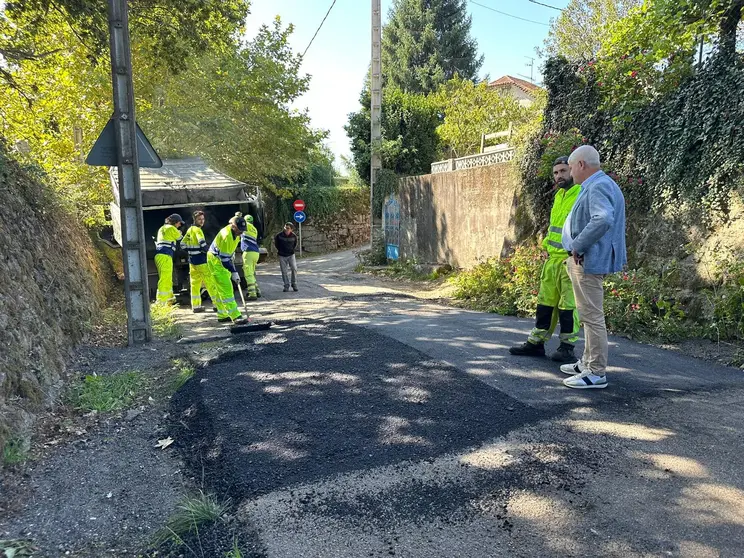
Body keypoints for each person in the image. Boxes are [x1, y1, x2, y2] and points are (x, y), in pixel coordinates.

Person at [560, 145, 626, 389]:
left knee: (591, 316)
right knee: (588, 315)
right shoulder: (599, 184)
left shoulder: (598, 186)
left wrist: (578, 245)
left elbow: (603, 219)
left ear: (580, 165)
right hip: (586, 259)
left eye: (570, 168)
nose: (569, 174)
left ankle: (596, 372)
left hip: (587, 260)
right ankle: (587, 362)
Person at [510, 156, 582, 363]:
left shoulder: (580, 194)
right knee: (545, 304)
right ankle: (537, 342)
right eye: (556, 173)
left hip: (569, 260)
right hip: (552, 261)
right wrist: (546, 247)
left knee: (568, 306)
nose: (559, 176)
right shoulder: (559, 196)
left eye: (562, 171)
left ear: (572, 171)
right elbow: (555, 228)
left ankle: (567, 347)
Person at [207, 212, 249, 325]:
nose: (241, 232)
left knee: (221, 288)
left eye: (242, 230)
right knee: (226, 288)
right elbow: (225, 260)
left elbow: (228, 254)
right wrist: (234, 271)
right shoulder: (226, 236)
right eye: (239, 230)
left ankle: (222, 315)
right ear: (233, 226)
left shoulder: (235, 233)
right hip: (216, 261)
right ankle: (235, 316)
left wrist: (232, 255)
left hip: (220, 258)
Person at [181, 210, 221, 314]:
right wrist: (210, 252)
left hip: (192, 262)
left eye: (203, 219)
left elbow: (182, 244)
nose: (202, 221)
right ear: (195, 219)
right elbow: (202, 244)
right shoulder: (198, 230)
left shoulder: (189, 230)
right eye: (199, 219)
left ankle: (196, 306)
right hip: (201, 261)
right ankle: (217, 305)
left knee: (195, 284)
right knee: (210, 282)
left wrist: (190, 251)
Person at [154, 213, 184, 305]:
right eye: (179, 223)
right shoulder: (171, 228)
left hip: (160, 256)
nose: (180, 225)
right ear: (175, 222)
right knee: (164, 279)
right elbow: (180, 238)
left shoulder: (162, 228)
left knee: (167, 278)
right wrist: (180, 232)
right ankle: (161, 302)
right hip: (165, 255)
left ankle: (170, 299)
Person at [240, 214, 261, 301]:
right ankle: (257, 290)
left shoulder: (246, 226)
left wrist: (238, 216)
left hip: (248, 252)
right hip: (255, 252)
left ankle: (252, 294)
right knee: (251, 273)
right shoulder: (254, 229)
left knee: (248, 273)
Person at [274, 222, 298, 292]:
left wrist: (291, 250)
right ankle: (286, 285)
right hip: (282, 255)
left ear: (291, 229)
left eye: (287, 228)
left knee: (294, 268)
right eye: (285, 227)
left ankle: (294, 284)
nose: (286, 229)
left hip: (291, 254)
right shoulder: (279, 235)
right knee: (284, 271)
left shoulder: (294, 236)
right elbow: (276, 244)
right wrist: (280, 250)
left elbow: (295, 244)